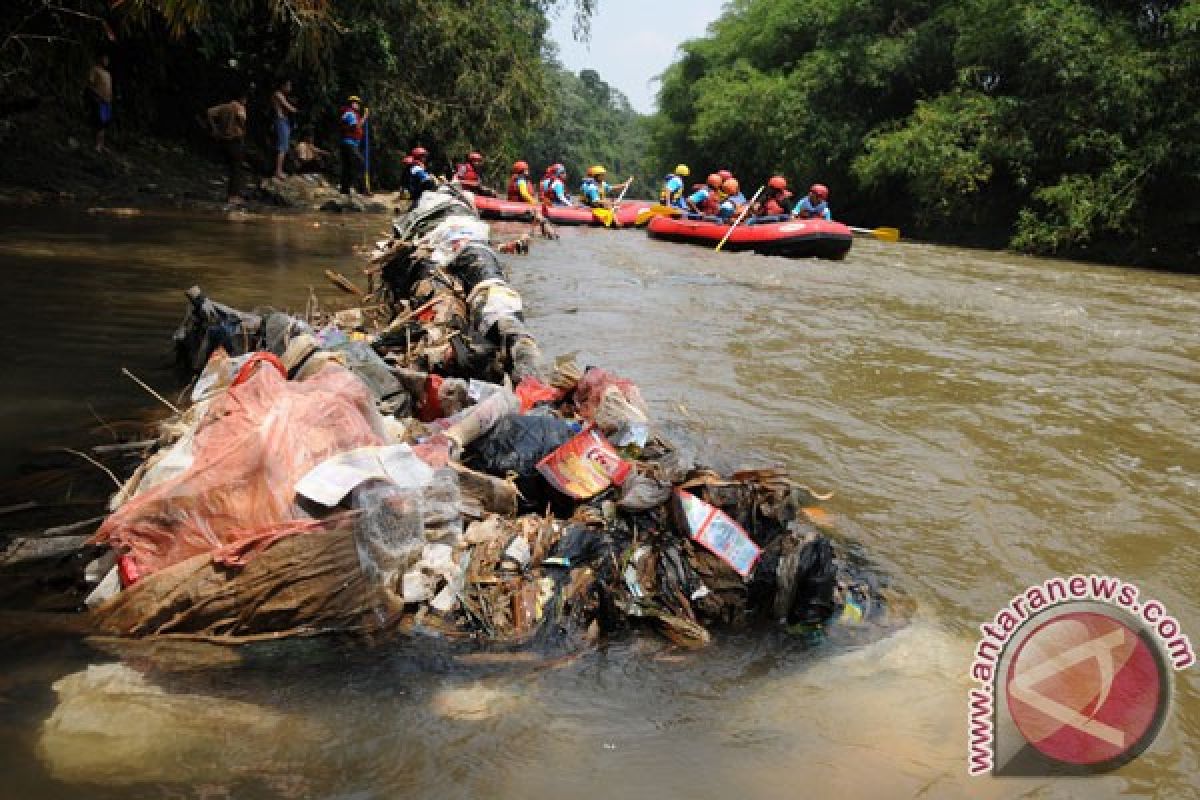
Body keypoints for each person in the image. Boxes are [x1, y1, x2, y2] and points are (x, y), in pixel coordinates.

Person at [207, 89, 249, 207]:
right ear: (241, 98)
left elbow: (209, 112)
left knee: (232, 168)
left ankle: (232, 195)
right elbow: (242, 119)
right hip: (235, 140)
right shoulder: (239, 107)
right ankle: (233, 196)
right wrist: (242, 128)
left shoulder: (224, 106)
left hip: (223, 140)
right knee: (237, 169)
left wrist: (214, 128)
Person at [338, 95, 369, 195]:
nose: (358, 105)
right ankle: (362, 189)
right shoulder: (351, 114)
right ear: (352, 104)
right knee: (361, 163)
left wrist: (364, 116)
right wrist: (365, 116)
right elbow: (356, 127)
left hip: (348, 144)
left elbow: (356, 126)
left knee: (348, 167)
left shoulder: (349, 113)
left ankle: (344, 190)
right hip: (349, 144)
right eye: (357, 103)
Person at [271, 79, 298, 180]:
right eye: (288, 85)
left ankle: (279, 170)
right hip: (281, 120)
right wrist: (295, 109)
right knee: (282, 147)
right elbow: (289, 107)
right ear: (282, 85)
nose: (289, 88)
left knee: (284, 147)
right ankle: (278, 171)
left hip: (284, 121)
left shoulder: (282, 95)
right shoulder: (278, 94)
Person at [86, 54, 113, 153]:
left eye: (107, 59)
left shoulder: (107, 73)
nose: (106, 61)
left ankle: (102, 145)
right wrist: (97, 96)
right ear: (100, 59)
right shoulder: (95, 69)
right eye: (104, 59)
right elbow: (90, 84)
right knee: (99, 122)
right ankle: (97, 145)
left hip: (107, 101)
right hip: (99, 100)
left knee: (105, 123)